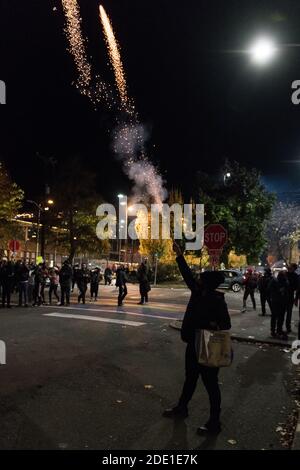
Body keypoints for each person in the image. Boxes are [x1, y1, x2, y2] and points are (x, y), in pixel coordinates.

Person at [163, 242, 231, 435]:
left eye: (200, 279)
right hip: (194, 343)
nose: (197, 280)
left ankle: (214, 422)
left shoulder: (217, 299)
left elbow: (225, 324)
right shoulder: (199, 292)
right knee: (190, 379)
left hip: (209, 346)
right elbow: (187, 275)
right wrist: (179, 256)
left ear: (206, 283)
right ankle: (182, 408)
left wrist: (208, 325)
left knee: (211, 385)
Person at [268, 271, 289, 339]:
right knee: (278, 317)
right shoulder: (276, 281)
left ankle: (276, 330)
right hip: (278, 301)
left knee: (277, 317)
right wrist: (278, 291)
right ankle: (276, 331)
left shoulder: (282, 281)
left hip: (278, 301)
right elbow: (269, 289)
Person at [285, 263, 299, 333]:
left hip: (289, 296)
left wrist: (296, 299)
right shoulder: (285, 274)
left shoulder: (295, 276)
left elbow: (297, 288)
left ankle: (287, 327)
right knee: (282, 313)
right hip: (284, 296)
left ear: (293, 268)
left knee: (288, 313)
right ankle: (281, 328)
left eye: (290, 266)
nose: (289, 267)